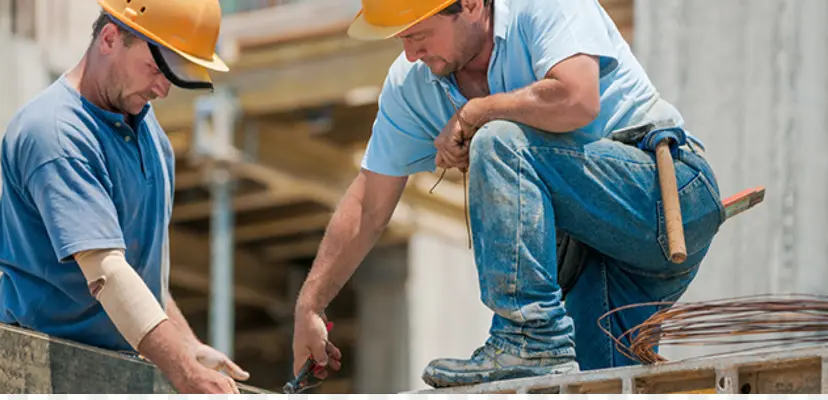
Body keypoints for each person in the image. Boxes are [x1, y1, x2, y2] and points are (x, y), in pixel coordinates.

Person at [291, 0, 726, 388]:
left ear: (472, 4)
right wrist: (311, 304)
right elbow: (368, 203)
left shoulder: (543, 7)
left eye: (419, 35)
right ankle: (538, 346)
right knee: (599, 386)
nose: (411, 53)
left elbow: (578, 98)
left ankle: (530, 339)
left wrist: (478, 110)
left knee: (498, 140)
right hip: (599, 258)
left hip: (665, 195)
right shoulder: (412, 84)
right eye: (403, 39)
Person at [0, 0, 249, 393]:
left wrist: (186, 345)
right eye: (157, 67)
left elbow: (135, 272)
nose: (164, 87)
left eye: (175, 71)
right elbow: (107, 273)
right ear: (110, 38)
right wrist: (185, 372)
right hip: (39, 375)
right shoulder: (57, 133)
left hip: (108, 373)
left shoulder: (149, 136)